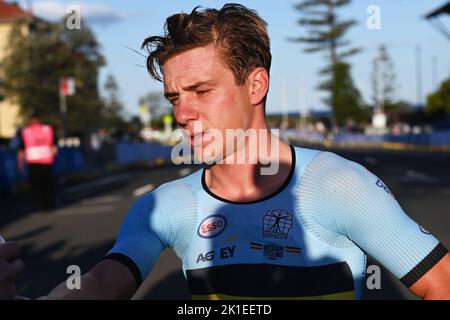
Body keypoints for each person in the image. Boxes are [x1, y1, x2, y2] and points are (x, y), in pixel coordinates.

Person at [39, 4, 449, 300]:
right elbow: (101, 285)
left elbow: (442, 285)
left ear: (256, 86)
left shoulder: (340, 185)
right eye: (173, 97)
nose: (182, 113)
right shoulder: (164, 206)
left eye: (201, 91)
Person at [17, 112, 58, 211]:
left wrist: (20, 163)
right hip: (46, 162)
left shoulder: (26, 131)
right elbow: (54, 147)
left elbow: (21, 149)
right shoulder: (47, 129)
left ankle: (41, 205)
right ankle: (48, 205)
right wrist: (53, 157)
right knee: (47, 184)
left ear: (31, 120)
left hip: (34, 162)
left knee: (37, 185)